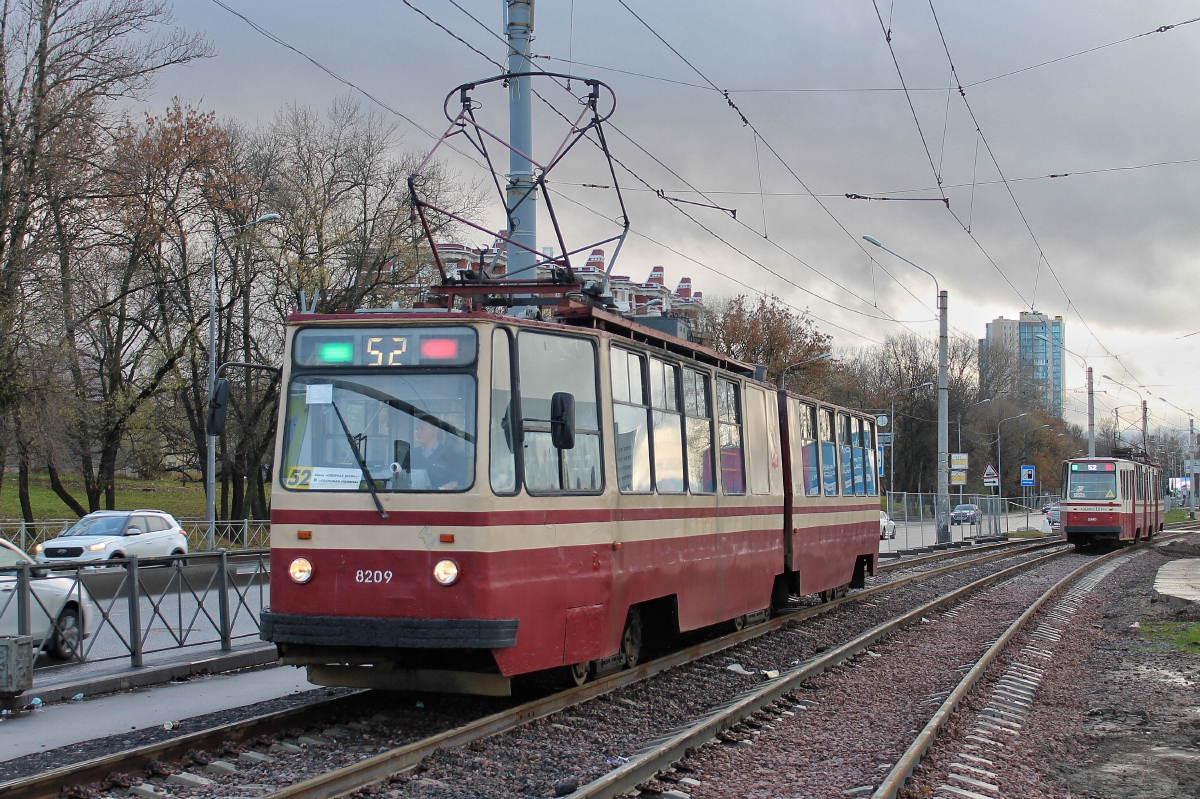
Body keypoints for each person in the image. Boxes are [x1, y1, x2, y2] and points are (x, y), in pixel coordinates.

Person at [410, 416, 469, 490]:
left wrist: (452, 483)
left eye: (422, 429)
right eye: (417, 429)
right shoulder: (412, 454)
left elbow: (460, 477)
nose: (418, 432)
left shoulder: (450, 454)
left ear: (435, 431)